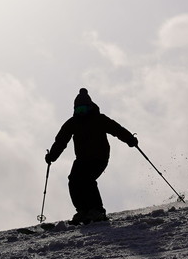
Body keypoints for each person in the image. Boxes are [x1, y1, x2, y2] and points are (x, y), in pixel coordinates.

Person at [45, 88, 138, 224]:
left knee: (87, 179)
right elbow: (61, 141)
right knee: (74, 181)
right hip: (82, 159)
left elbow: (117, 129)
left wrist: (130, 139)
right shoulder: (72, 123)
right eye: (78, 110)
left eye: (83, 110)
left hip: (98, 157)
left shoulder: (99, 119)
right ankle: (83, 210)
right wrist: (52, 156)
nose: (81, 113)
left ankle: (97, 210)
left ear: (89, 107)